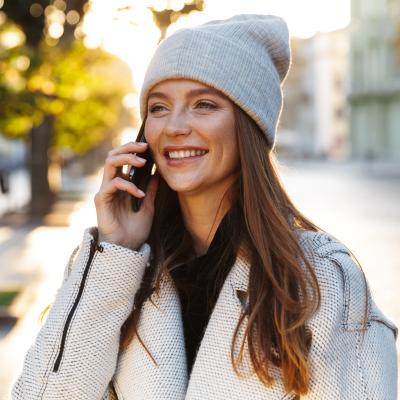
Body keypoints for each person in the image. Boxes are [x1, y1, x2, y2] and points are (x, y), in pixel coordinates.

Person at [12, 14, 397, 400]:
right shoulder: (114, 264)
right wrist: (117, 255)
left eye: (204, 104)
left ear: (249, 125)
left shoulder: (323, 280)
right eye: (159, 108)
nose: (175, 126)